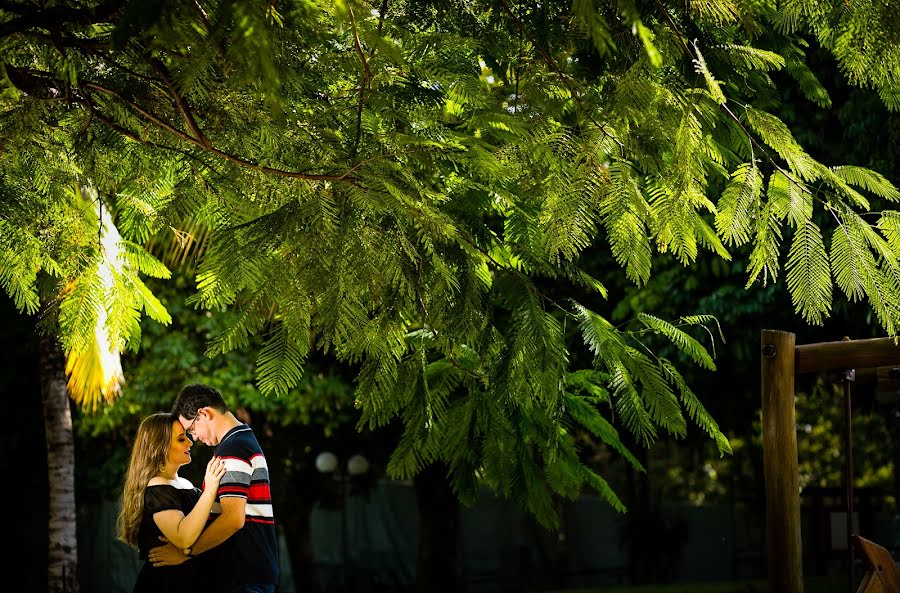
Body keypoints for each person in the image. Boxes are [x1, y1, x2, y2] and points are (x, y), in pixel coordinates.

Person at [149, 383, 279, 593]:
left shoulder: (233, 449)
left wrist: (186, 552)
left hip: (243, 575)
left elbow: (232, 519)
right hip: (251, 572)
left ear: (203, 414)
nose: (194, 438)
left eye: (191, 429)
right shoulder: (243, 439)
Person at [117, 412, 227, 593]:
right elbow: (184, 537)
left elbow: (223, 512)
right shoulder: (156, 487)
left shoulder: (183, 484)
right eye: (181, 439)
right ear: (159, 447)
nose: (190, 443)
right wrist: (210, 489)